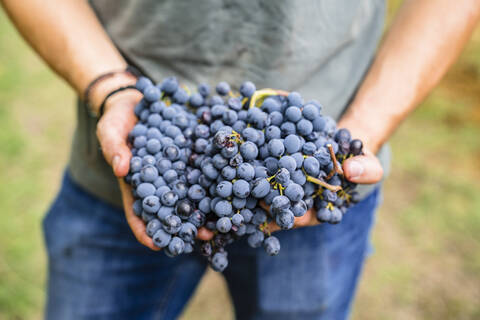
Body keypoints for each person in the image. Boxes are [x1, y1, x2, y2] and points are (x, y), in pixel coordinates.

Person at [2, 0, 479, 319]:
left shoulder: (290, 160)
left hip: (318, 179)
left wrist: (364, 129)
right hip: (126, 155)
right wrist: (111, 88)